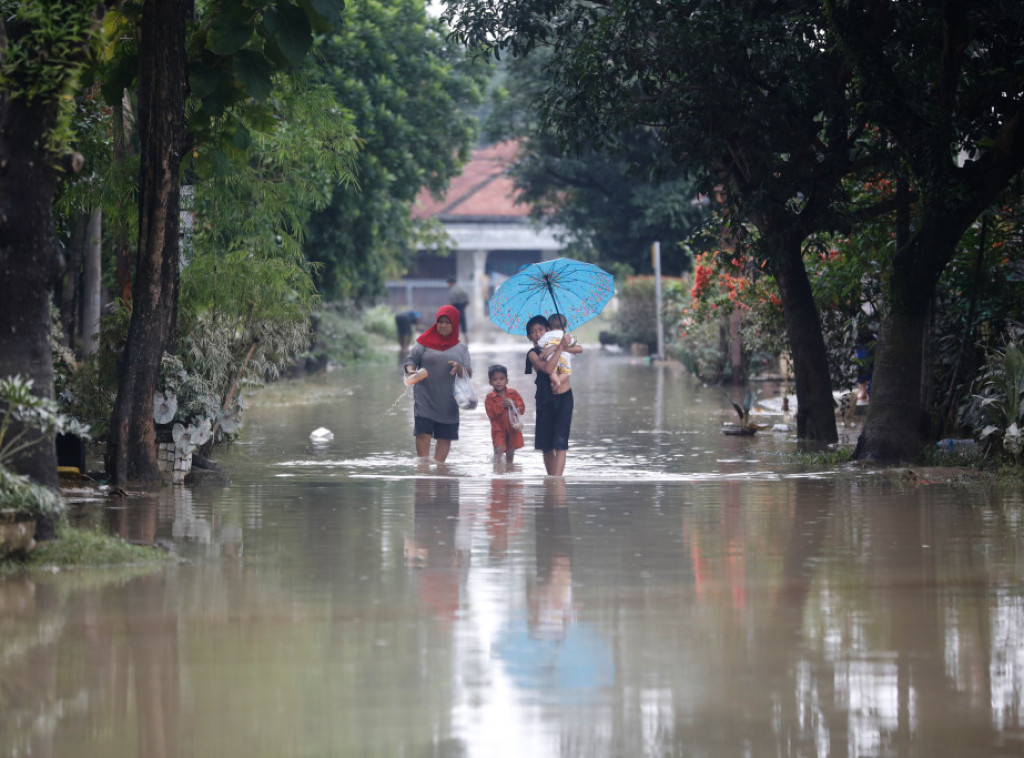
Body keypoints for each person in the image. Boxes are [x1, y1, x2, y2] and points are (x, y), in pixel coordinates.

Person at [402, 305, 472, 462]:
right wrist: (411, 370)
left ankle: (440, 470)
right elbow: (410, 360)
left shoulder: (461, 348)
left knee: (445, 437)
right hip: (424, 398)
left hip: (449, 402)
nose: (443, 325)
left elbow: (469, 372)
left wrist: (460, 369)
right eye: (440, 322)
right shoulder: (423, 342)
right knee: (422, 433)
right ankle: (423, 468)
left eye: (447, 322)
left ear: (454, 324)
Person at [525, 314, 575, 476]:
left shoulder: (559, 343)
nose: (537, 334)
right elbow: (547, 369)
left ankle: (557, 481)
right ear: (529, 337)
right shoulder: (533, 354)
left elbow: (579, 348)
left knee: (561, 443)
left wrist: (558, 345)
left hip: (564, 397)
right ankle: (552, 480)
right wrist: (559, 348)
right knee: (546, 446)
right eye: (533, 332)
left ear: (548, 330)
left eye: (540, 329)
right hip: (544, 400)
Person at [484, 364, 526, 466]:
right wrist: (501, 405)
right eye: (495, 379)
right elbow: (491, 414)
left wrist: (513, 403)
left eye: (501, 379)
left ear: (507, 380)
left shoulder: (513, 393)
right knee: (498, 450)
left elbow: (522, 409)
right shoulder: (490, 397)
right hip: (498, 429)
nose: (498, 382)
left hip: (512, 428)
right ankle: (497, 469)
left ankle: (509, 469)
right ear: (490, 382)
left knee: (510, 453)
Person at [537, 313, 582, 393]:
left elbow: (540, 344)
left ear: (548, 328)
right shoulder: (568, 336)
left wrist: (551, 346)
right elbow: (578, 347)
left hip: (552, 358)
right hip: (565, 358)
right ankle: (559, 381)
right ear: (565, 327)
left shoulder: (547, 335)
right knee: (566, 372)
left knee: (552, 372)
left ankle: (556, 381)